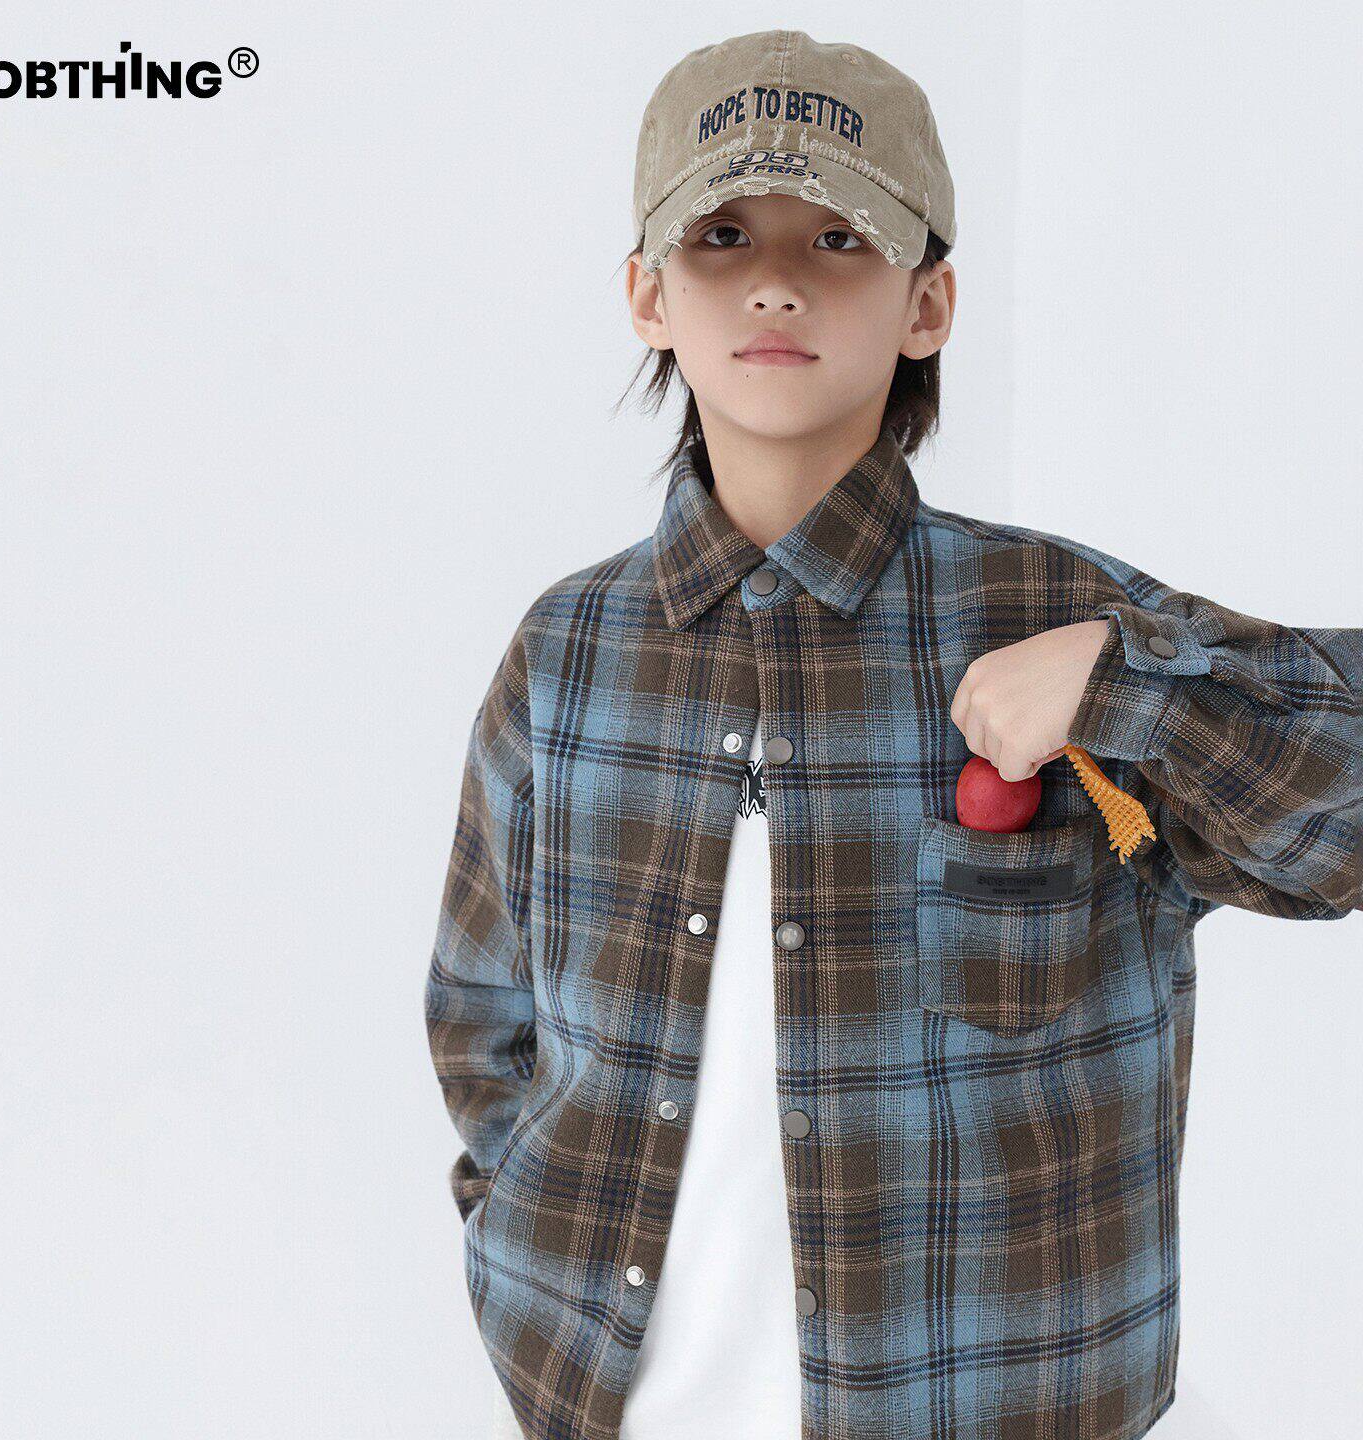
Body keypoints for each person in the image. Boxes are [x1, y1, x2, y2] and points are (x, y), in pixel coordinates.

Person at [423, 28, 1363, 1440]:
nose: (778, 280)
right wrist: (525, 1271)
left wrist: (1128, 688)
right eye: (722, 235)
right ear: (648, 294)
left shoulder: (1057, 618)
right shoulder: (566, 656)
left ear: (928, 303)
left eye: (840, 237)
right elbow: (484, 1024)